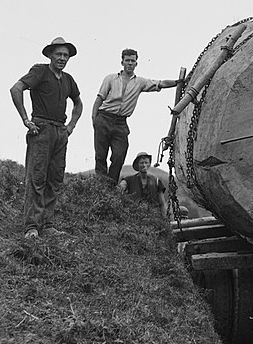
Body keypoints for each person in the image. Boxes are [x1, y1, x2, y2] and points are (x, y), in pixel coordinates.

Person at [10, 37, 84, 239]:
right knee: (36, 177)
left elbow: (79, 104)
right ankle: (31, 227)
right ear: (50, 55)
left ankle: (48, 225)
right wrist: (26, 119)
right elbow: (16, 89)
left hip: (60, 132)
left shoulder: (68, 79)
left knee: (55, 179)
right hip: (41, 130)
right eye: (58, 54)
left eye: (66, 55)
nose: (62, 58)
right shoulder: (40, 71)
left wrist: (70, 128)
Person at [93, 49, 182, 185]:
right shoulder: (110, 78)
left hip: (121, 122)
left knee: (119, 154)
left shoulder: (139, 82)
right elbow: (100, 98)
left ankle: (109, 186)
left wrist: (177, 82)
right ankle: (99, 186)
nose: (130, 63)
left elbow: (160, 83)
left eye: (132, 61)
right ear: (122, 62)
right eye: (127, 60)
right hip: (104, 117)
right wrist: (94, 118)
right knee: (100, 155)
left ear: (136, 63)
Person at [117, 151, 168, 219]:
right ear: (137, 165)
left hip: (154, 218)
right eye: (141, 163)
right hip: (135, 217)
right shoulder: (129, 180)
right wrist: (121, 187)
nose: (144, 165)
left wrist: (164, 219)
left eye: (146, 162)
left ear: (149, 164)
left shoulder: (157, 181)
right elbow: (120, 187)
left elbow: (162, 204)